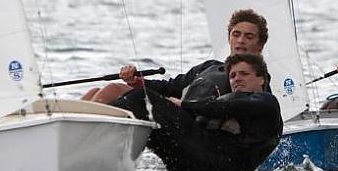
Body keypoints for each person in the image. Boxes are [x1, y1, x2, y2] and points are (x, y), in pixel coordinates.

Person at [133, 53, 282, 171]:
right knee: (149, 121)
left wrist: (183, 105)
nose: (237, 79)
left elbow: (227, 107)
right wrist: (139, 82)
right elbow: (172, 86)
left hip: (207, 162)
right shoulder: (226, 94)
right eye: (232, 76)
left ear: (262, 79)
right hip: (187, 167)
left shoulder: (268, 103)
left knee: (140, 98)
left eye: (244, 74)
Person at [81, 8, 268, 104]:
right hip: (175, 112)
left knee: (113, 90)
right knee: (94, 91)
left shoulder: (255, 79)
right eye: (236, 34)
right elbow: (170, 87)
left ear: (260, 45)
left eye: (249, 36)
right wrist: (136, 80)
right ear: (229, 38)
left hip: (189, 126)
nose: (241, 40)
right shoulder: (210, 66)